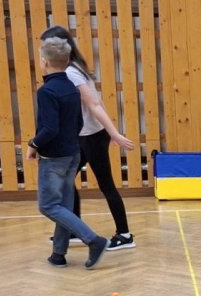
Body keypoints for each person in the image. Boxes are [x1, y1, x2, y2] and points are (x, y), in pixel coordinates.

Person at [40, 26, 138, 250]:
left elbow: (94, 104)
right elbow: (98, 102)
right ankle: (73, 229)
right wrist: (109, 130)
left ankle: (125, 235)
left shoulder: (71, 72)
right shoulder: (75, 67)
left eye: (46, 44)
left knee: (106, 185)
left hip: (91, 138)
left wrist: (113, 133)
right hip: (86, 136)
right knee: (67, 181)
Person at [29, 37, 107, 269]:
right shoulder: (72, 89)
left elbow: (50, 128)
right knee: (63, 204)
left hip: (54, 158)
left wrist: (33, 144)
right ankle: (58, 253)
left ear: (44, 61)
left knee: (48, 206)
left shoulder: (47, 92)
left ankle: (93, 240)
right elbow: (79, 122)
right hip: (73, 153)